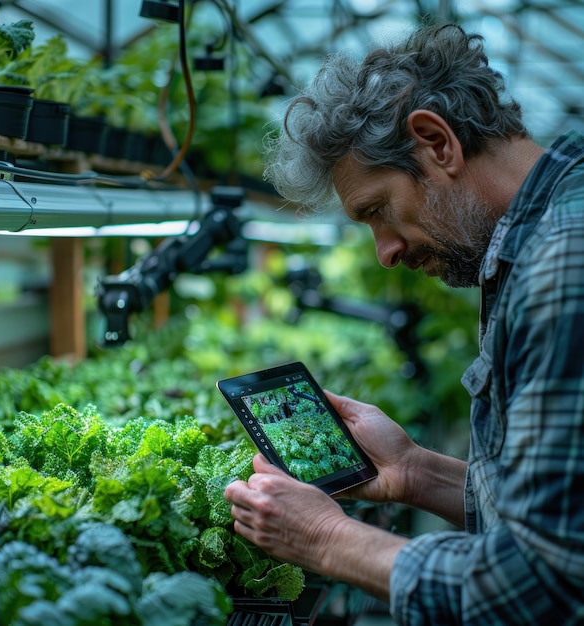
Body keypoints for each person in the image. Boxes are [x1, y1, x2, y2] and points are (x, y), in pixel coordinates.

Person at [223, 22, 584, 624]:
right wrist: (414, 471)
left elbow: (538, 586)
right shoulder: (539, 237)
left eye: (377, 211)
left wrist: (324, 539)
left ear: (436, 143)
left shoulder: (563, 264)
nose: (384, 251)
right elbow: (564, 516)